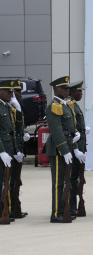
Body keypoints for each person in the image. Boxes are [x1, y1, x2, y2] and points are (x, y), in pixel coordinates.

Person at [44, 76, 78, 223]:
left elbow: (67, 127)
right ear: (55, 89)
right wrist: (64, 150)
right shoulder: (55, 105)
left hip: (66, 144)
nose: (66, 90)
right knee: (58, 182)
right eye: (63, 88)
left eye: (67, 88)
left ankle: (65, 209)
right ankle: (57, 213)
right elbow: (57, 130)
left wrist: (74, 137)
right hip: (58, 148)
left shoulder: (64, 105)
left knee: (65, 180)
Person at [0, 79, 23, 223]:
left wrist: (15, 150)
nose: (11, 94)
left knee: (6, 181)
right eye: (8, 91)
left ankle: (5, 209)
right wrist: (1, 151)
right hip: (2, 148)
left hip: (9, 148)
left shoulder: (7, 107)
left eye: (12, 91)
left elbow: (12, 131)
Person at [66, 80, 87, 218]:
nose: (81, 93)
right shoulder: (70, 104)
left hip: (79, 145)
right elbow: (72, 130)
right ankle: (71, 206)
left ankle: (74, 206)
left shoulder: (75, 105)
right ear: (71, 92)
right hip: (75, 146)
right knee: (72, 178)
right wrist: (76, 149)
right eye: (78, 91)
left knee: (76, 178)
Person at [10, 80, 29, 219]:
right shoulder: (9, 106)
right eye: (16, 92)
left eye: (19, 92)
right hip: (9, 148)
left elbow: (19, 126)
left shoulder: (18, 105)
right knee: (9, 180)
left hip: (17, 147)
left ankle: (15, 208)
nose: (19, 94)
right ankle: (9, 208)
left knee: (16, 180)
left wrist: (24, 134)